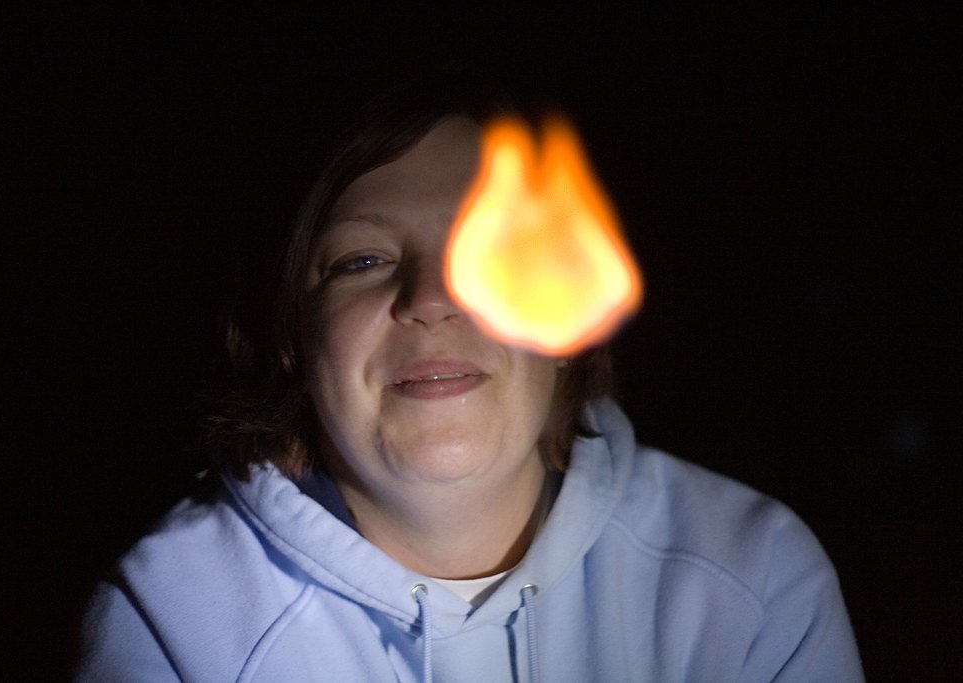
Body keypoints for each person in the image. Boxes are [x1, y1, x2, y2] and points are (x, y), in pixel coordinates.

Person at [75, 75, 864, 682]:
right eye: (362, 260)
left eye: (483, 250)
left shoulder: (752, 579)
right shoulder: (173, 621)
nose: (430, 298)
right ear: (291, 338)